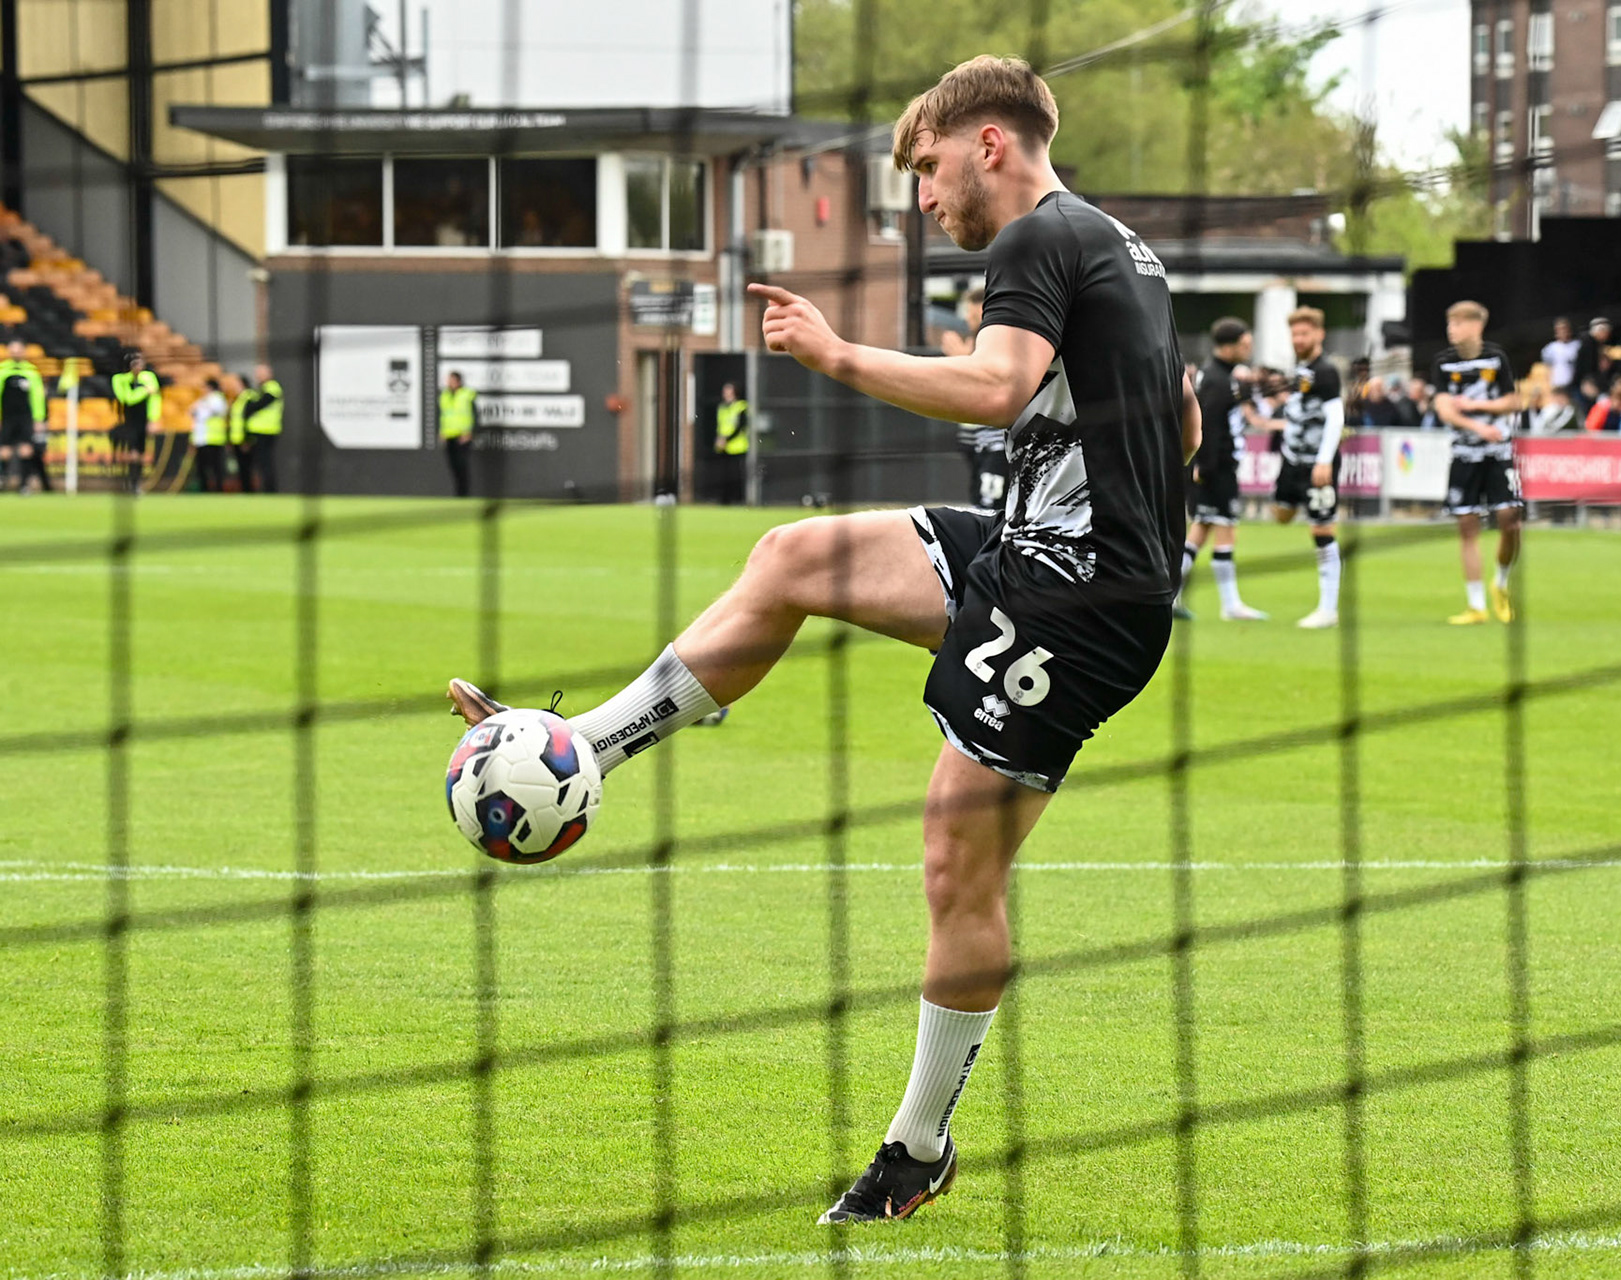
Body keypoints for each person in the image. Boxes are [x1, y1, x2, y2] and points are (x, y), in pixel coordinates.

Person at [448, 54, 1199, 1226]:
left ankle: (917, 1146)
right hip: (1038, 555)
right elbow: (1181, 412)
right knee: (793, 558)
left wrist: (838, 354)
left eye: (929, 169)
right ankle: (582, 745)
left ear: (989, 143)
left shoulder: (1036, 239)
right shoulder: (1117, 245)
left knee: (956, 861)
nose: (924, 198)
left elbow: (998, 388)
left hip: (1082, 599)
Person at [1431, 300, 1523, 625]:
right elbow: (1444, 408)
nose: (1451, 330)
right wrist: (1477, 426)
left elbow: (1513, 400)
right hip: (1464, 455)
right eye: (1450, 324)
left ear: (1476, 326)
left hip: (1498, 453)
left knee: (1510, 520)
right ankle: (1476, 605)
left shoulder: (1496, 358)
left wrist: (1477, 406)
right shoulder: (1443, 362)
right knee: (1467, 527)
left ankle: (1501, 582)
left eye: (1457, 324)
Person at [1173, 317, 1264, 620]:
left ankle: (1172, 595)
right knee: (1225, 529)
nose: (1249, 349)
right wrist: (1205, 465)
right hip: (1216, 469)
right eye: (1246, 344)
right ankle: (1231, 605)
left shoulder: (1216, 375)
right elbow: (1208, 425)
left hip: (1214, 466)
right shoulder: (1217, 380)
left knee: (1201, 530)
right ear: (1231, 345)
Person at [1264, 306, 1345, 629]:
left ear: (1319, 334)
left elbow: (1336, 417)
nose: (1298, 339)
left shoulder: (1325, 371)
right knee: (1281, 515)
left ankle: (1328, 608)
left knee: (1322, 529)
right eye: (1295, 333)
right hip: (1292, 461)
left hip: (1317, 463)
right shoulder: (1300, 370)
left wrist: (1325, 459)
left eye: (1304, 333)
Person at [941, 286, 1010, 514]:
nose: (968, 320)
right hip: (976, 442)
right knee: (979, 503)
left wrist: (962, 361)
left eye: (972, 315)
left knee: (989, 508)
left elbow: (990, 382)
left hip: (996, 443)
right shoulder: (974, 341)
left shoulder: (997, 342)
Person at [110, 350, 160, 493]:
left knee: (140, 453)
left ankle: (136, 483)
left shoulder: (149, 377)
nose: (139, 366)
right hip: (127, 420)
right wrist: (144, 391)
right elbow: (127, 398)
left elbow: (155, 398)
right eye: (136, 363)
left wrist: (153, 419)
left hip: (143, 419)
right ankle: (129, 483)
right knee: (131, 452)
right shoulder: (119, 379)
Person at [0, 340, 46, 494]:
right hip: (7, 416)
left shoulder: (31, 371)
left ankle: (24, 484)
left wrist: (38, 418)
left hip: (25, 417)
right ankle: (2, 480)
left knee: (26, 449)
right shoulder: (2, 370)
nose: (16, 354)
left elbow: (37, 397)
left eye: (18, 351)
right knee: (4, 450)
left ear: (24, 352)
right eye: (13, 351)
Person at [243, 364, 283, 492]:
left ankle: (270, 490)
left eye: (260, 373)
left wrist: (250, 406)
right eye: (257, 373)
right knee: (260, 462)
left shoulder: (272, 387)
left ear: (269, 373)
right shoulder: (261, 388)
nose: (258, 375)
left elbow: (259, 404)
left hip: (267, 430)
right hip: (258, 430)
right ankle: (265, 488)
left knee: (265, 461)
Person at [712, 381, 751, 506]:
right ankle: (725, 499)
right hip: (723, 447)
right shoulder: (722, 407)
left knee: (736, 475)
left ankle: (739, 499)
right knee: (723, 475)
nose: (725, 393)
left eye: (728, 391)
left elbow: (740, 427)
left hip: (737, 446)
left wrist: (727, 439)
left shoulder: (741, 406)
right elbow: (720, 426)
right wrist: (719, 440)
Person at [440, 370, 477, 497]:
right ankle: (458, 492)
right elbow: (443, 415)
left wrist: (470, 432)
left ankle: (464, 493)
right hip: (449, 434)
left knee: (462, 465)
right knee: (453, 465)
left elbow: (475, 415)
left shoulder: (467, 394)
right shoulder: (444, 395)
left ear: (458, 381)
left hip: (463, 435)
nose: (449, 382)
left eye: (452, 380)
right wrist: (442, 432)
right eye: (448, 380)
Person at [190, 376, 228, 494]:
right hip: (202, 438)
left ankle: (218, 489)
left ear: (210, 387)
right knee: (202, 466)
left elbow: (205, 413)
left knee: (215, 466)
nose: (202, 389)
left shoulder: (217, 399)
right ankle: (204, 489)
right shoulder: (203, 400)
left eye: (204, 387)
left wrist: (199, 409)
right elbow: (191, 411)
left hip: (214, 438)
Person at [228, 374, 255, 493]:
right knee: (241, 467)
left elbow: (249, 419)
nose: (234, 386)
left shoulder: (249, 397)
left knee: (248, 467)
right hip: (237, 438)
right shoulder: (238, 399)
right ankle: (245, 490)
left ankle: (249, 491)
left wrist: (247, 439)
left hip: (245, 439)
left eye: (236, 384)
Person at [1540, 317, 1580, 394]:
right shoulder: (1550, 349)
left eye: (1564, 328)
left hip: (1575, 386)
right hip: (1558, 386)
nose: (1563, 332)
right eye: (1559, 329)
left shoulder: (1578, 346)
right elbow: (1547, 368)